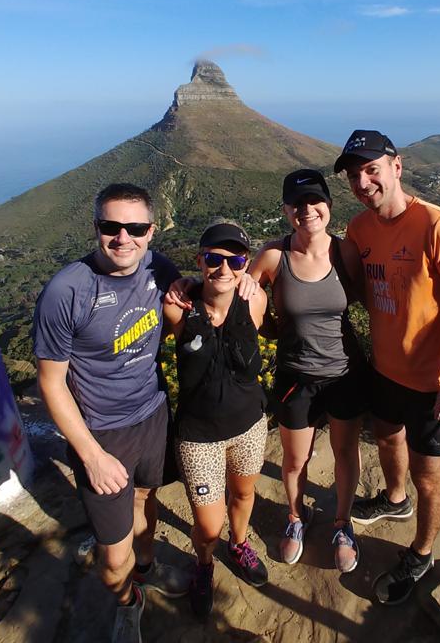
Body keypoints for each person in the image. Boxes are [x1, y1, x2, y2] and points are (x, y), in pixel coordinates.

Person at [333, 130, 440, 606]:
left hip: (435, 385)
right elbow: (355, 289)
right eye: (355, 175)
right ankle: (393, 502)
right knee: (385, 437)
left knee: (430, 475)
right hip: (386, 370)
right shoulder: (360, 230)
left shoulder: (436, 226)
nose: (363, 181)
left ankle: (421, 553)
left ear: (396, 167)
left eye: (371, 169)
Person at [32, 183, 189, 643]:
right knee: (112, 558)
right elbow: (50, 382)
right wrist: (91, 454)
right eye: (111, 227)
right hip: (102, 432)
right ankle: (127, 602)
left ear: (151, 231)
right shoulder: (66, 292)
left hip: (153, 413)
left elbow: (180, 315)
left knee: (145, 499)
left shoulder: (158, 268)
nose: (124, 238)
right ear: (96, 228)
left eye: (136, 227)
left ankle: (148, 566)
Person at [247, 169, 365, 573]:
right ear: (286, 211)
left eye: (315, 202)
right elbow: (239, 292)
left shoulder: (345, 253)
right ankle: (296, 518)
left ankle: (342, 524)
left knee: (345, 454)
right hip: (295, 376)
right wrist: (190, 285)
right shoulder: (273, 256)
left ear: (328, 206)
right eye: (297, 205)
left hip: (344, 374)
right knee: (295, 460)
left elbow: (376, 300)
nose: (307, 210)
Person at [161, 221, 270, 620]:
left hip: (250, 427)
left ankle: (238, 544)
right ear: (199, 261)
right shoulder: (178, 308)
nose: (224, 268)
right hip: (198, 437)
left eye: (236, 260)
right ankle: (204, 564)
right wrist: (183, 284)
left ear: (245, 265)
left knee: (243, 495)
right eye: (214, 259)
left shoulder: (254, 302)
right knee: (207, 525)